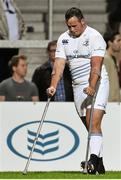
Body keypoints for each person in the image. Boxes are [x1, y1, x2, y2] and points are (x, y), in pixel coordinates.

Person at [47, 7, 109, 174]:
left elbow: (96, 66)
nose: (71, 29)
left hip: (97, 82)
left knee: (93, 121)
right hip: (77, 85)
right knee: (88, 124)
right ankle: (100, 164)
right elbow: (58, 65)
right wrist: (53, 85)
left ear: (83, 22)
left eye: (74, 26)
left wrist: (91, 86)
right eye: (69, 26)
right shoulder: (63, 39)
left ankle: (92, 161)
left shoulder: (95, 37)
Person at [0, 0, 25, 82]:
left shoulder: (12, 4)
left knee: (12, 73)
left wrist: (21, 36)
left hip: (14, 45)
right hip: (2, 44)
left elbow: (21, 22)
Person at [103, 31, 121, 102]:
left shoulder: (112, 58)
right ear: (110, 42)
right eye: (118, 40)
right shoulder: (105, 59)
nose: (120, 43)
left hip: (115, 102)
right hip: (109, 102)